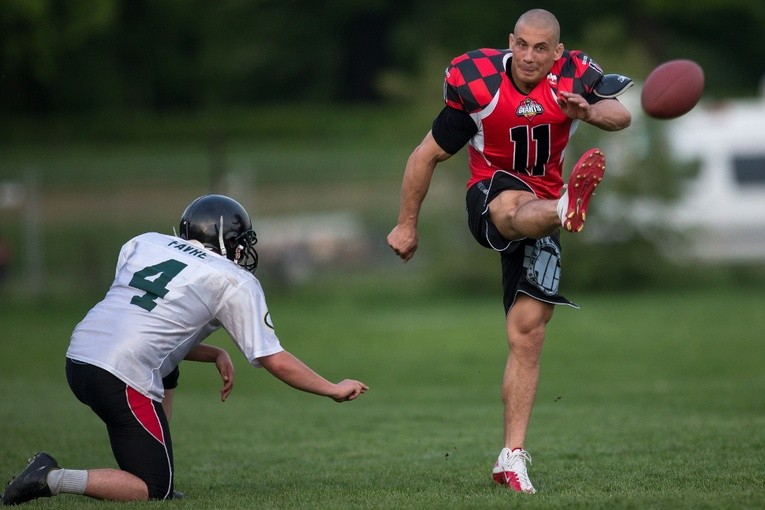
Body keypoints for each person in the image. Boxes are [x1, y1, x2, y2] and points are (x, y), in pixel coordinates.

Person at [387, 9, 632, 493]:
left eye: (542, 48)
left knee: (528, 334)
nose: (530, 56)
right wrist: (405, 225)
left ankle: (511, 458)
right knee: (511, 205)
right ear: (510, 42)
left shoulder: (573, 75)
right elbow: (425, 156)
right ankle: (563, 208)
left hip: (546, 201)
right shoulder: (476, 81)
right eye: (522, 44)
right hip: (492, 196)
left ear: (557, 52)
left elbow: (620, 115)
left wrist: (586, 111)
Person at [1, 194, 368, 505]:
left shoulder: (146, 242)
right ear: (226, 241)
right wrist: (332, 388)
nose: (244, 250)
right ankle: (52, 477)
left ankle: (153, 457)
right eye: (241, 241)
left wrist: (214, 353)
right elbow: (272, 357)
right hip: (120, 374)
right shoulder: (232, 279)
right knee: (154, 489)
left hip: (79, 355)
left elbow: (148, 322)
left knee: (167, 370)